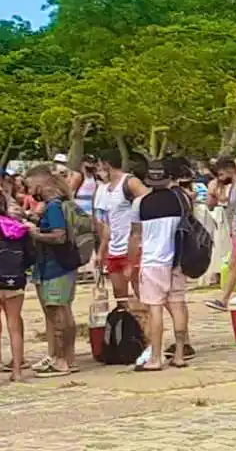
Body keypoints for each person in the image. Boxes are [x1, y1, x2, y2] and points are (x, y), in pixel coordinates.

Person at [132, 159, 190, 372]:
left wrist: (132, 262)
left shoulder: (140, 203)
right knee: (178, 305)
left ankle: (155, 357)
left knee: (155, 308)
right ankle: (180, 353)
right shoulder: (181, 201)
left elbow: (136, 235)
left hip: (152, 261)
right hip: (177, 259)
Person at [24, 166, 77, 378]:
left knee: (57, 313)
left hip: (56, 267)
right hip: (60, 266)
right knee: (63, 312)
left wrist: (34, 233)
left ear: (40, 183)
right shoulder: (58, 204)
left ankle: (61, 360)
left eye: (29, 185)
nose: (28, 190)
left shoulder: (54, 207)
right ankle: (66, 357)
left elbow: (59, 235)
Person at [0, 189, 34, 383]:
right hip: (16, 281)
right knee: (14, 326)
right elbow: (31, 256)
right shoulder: (19, 228)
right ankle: (17, 372)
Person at [97, 150, 149, 303]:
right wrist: (102, 250)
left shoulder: (129, 182)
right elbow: (108, 223)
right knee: (120, 296)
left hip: (132, 246)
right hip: (114, 248)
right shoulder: (106, 189)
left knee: (141, 294)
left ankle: (147, 324)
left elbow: (148, 201)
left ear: (106, 165)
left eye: (100, 166)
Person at [206, 157, 236, 311]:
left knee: (234, 263)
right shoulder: (233, 186)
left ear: (230, 170)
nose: (220, 178)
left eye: (221, 175)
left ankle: (224, 299)